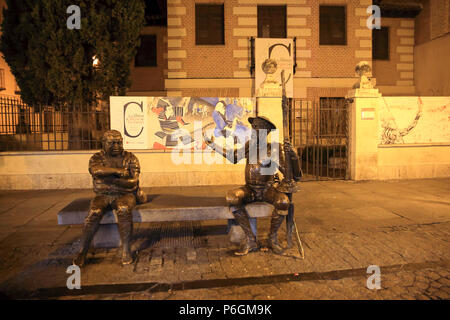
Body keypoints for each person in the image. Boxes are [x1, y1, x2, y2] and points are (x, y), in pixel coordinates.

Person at [204, 116, 291, 255]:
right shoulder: (249, 145)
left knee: (283, 201)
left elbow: (287, 172)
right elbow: (233, 157)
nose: (252, 131)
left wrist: (291, 157)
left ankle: (272, 239)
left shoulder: (274, 148)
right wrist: (214, 145)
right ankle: (251, 240)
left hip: (267, 190)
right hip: (250, 189)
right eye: (253, 128)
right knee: (232, 197)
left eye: (256, 129)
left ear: (265, 132)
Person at [73, 130, 146, 266]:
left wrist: (108, 181)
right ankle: (82, 251)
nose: (116, 146)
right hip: (103, 195)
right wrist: (117, 173)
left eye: (119, 142)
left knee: (124, 209)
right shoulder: (97, 158)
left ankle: (126, 250)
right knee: (94, 212)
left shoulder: (131, 158)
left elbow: (133, 182)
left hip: (126, 195)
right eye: (112, 143)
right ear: (104, 143)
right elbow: (96, 171)